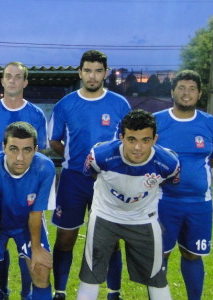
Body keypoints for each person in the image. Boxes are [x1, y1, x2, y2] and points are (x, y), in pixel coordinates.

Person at [48, 50, 130, 300]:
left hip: (108, 181)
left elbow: (128, 141)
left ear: (106, 73)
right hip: (73, 180)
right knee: (65, 237)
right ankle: (59, 291)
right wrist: (78, 160)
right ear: (80, 72)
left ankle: (114, 292)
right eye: (87, 71)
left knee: (110, 239)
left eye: (98, 71)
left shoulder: (119, 104)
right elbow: (54, 140)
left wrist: (107, 164)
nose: (92, 76)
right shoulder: (66, 104)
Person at [76, 109, 180, 300]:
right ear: (121, 137)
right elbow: (90, 172)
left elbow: (170, 180)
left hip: (143, 218)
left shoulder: (168, 163)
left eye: (145, 140)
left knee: (156, 277)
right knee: (91, 274)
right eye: (132, 139)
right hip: (105, 215)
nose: (138, 147)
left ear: (155, 139)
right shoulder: (101, 155)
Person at [153, 70, 213, 300]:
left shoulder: (209, 123)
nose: (186, 93)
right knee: (160, 255)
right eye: (181, 88)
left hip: (199, 204)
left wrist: (194, 172)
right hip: (162, 202)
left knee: (192, 254)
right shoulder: (157, 121)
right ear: (172, 92)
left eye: (192, 89)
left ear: (199, 94)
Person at [0, 61, 48, 300]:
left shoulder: (36, 114)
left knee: (35, 261)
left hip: (24, 194)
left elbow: (40, 155)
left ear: (25, 82)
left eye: (18, 77)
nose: (12, 80)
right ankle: (1, 290)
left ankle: (27, 293)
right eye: (8, 76)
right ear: (2, 80)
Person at [0, 121, 56, 300]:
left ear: (35, 149)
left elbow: (36, 213)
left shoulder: (45, 168)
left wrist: (36, 249)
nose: (19, 157)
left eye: (26, 150)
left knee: (41, 270)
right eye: (13, 149)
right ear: (3, 147)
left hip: (27, 222)